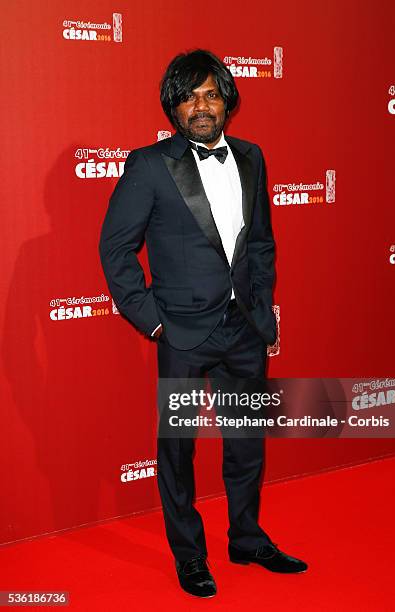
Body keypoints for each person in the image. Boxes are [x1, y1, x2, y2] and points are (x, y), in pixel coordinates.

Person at [99, 49, 307, 598]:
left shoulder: (251, 157)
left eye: (211, 94)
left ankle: (246, 537)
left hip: (244, 331)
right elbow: (116, 251)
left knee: (246, 442)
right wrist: (155, 324)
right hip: (183, 335)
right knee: (178, 448)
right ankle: (190, 557)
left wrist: (261, 305)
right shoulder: (149, 164)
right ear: (173, 106)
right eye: (189, 96)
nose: (201, 106)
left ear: (228, 101)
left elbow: (260, 242)